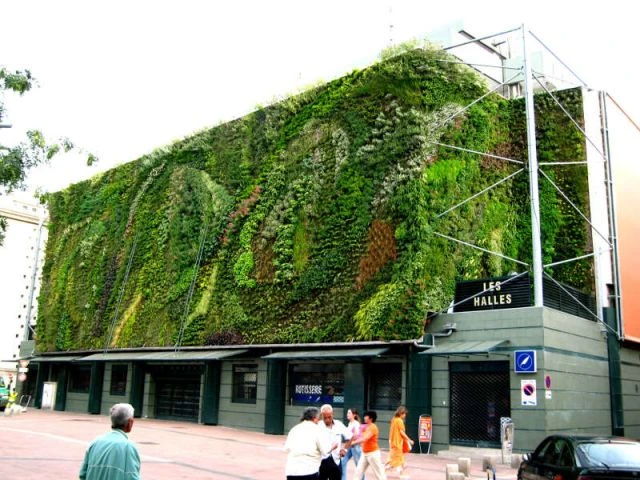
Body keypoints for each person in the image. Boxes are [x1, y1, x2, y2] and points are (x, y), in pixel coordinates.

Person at [79, 403, 141, 480]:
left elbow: (83, 474)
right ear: (130, 422)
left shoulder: (95, 443)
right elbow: (132, 477)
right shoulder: (128, 447)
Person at [285, 406, 331, 480]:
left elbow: (287, 448)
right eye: (318, 418)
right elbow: (325, 451)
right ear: (314, 418)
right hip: (309, 471)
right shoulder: (317, 430)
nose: (318, 420)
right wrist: (333, 447)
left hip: (291, 471)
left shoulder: (294, 429)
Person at [318, 404, 352, 480]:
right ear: (321, 416)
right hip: (321, 461)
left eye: (329, 417)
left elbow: (350, 437)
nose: (327, 420)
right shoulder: (318, 425)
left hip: (336, 461)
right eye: (325, 417)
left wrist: (344, 449)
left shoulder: (339, 425)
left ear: (333, 414)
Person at [350, 410, 386, 480]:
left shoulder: (373, 427)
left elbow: (365, 438)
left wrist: (353, 443)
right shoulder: (366, 427)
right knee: (358, 472)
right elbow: (361, 439)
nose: (364, 417)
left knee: (379, 475)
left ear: (371, 418)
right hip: (365, 453)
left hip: (373, 454)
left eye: (366, 416)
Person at [385, 405, 413, 474]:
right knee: (397, 458)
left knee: (395, 458)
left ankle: (385, 468)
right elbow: (402, 432)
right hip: (397, 442)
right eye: (404, 414)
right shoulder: (399, 421)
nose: (405, 415)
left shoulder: (394, 419)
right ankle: (401, 473)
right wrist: (409, 440)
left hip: (392, 441)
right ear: (401, 413)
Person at [341, 408, 363, 480]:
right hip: (350, 446)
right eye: (347, 413)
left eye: (349, 413)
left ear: (354, 415)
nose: (347, 414)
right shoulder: (350, 423)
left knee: (359, 467)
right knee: (343, 461)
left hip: (356, 447)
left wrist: (349, 441)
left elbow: (356, 436)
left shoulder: (356, 424)